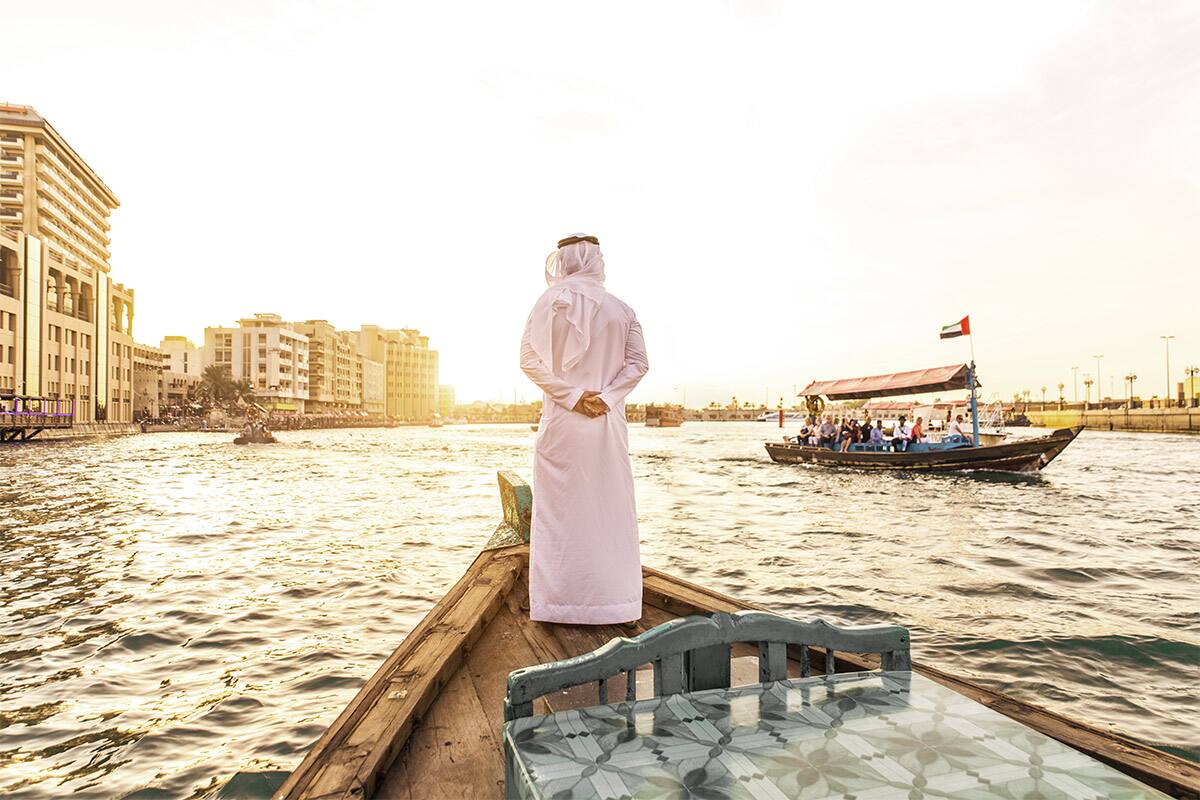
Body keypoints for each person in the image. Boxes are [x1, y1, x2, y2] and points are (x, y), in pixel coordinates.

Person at [520, 234, 649, 625]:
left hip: (562, 422)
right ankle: (616, 604)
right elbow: (639, 364)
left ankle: (557, 605)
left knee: (559, 511)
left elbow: (528, 361)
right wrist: (606, 399)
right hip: (606, 425)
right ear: (596, 260)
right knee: (610, 507)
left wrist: (573, 396)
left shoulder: (547, 304)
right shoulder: (622, 309)